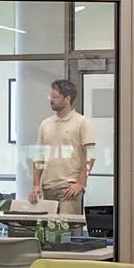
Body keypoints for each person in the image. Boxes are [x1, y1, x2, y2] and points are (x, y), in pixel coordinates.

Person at [29, 79, 95, 208]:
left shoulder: (82, 122)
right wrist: (36, 184)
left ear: (67, 99)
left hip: (68, 187)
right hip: (47, 186)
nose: (51, 100)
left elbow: (91, 155)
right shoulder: (45, 124)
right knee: (48, 227)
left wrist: (81, 183)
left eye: (55, 97)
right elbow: (39, 157)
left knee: (64, 226)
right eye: (50, 96)